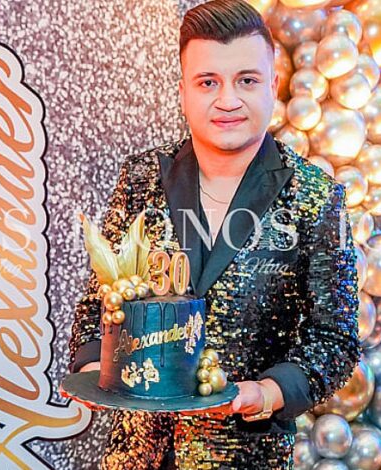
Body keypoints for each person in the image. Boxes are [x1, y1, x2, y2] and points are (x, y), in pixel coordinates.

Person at [68, 0, 360, 468]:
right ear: (184, 91)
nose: (228, 100)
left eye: (246, 80)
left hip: (245, 456)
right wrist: (92, 370)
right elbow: (99, 303)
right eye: (208, 82)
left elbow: (335, 339)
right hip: (135, 457)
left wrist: (266, 392)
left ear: (273, 85)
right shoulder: (142, 178)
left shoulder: (317, 197)